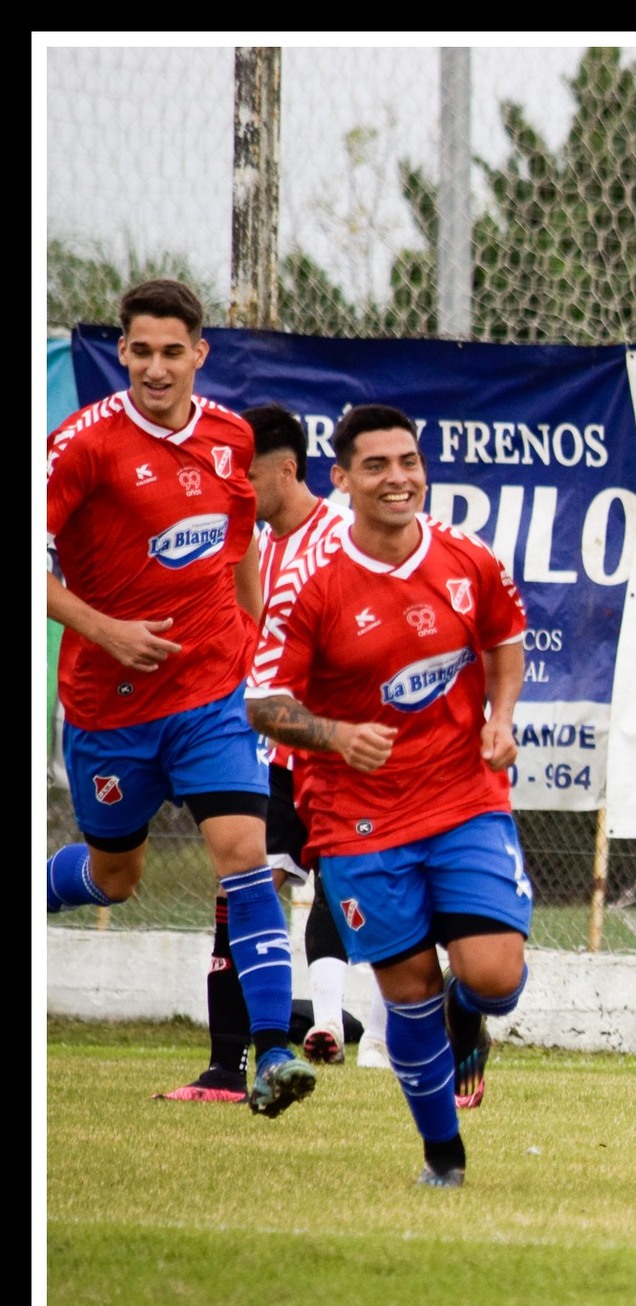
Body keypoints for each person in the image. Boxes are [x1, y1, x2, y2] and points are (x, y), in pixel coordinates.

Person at [45, 279, 316, 1119]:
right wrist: (107, 629)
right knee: (115, 876)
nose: (156, 368)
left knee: (246, 857)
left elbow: (241, 539)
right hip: (110, 705)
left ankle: (270, 1056)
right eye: (140, 351)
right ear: (122, 352)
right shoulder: (82, 445)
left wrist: (247, 628)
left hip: (210, 694)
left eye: (173, 352)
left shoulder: (231, 439)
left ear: (200, 354)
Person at [247, 404, 533, 1186]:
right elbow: (264, 704)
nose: (398, 478)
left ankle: (468, 1005)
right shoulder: (312, 584)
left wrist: (500, 719)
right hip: (357, 818)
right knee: (408, 994)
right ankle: (444, 1161)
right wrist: (337, 736)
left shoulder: (468, 558)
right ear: (341, 479)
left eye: (408, 461)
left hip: (464, 795)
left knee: (496, 977)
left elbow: (505, 638)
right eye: (376, 465)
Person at [157, 403, 373, 1101]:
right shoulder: (242, 544)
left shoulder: (342, 537)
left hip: (331, 748)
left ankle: (381, 1022)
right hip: (266, 750)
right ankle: (234, 1065)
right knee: (244, 888)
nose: (237, 490)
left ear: (286, 469)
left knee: (372, 903)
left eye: (247, 477)